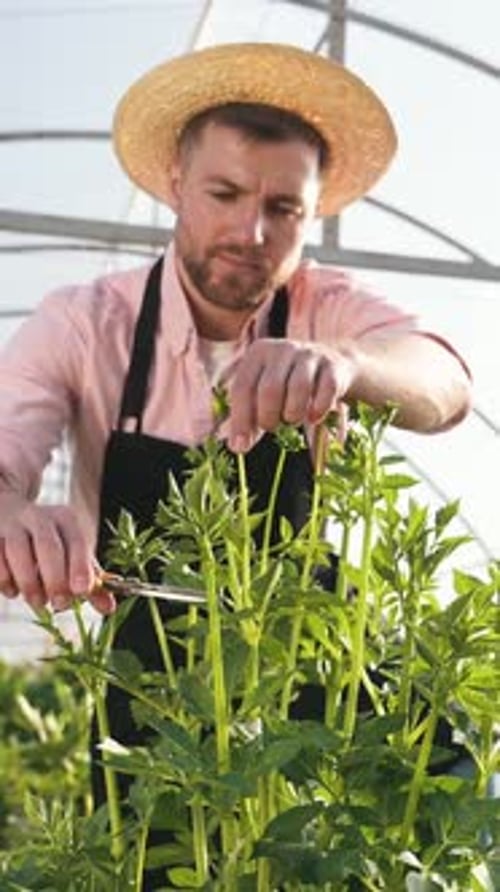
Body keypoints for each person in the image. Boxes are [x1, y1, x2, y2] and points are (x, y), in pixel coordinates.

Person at [0, 41, 471, 882]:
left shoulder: (327, 307)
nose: (252, 233)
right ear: (175, 183)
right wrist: (10, 514)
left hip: (306, 683)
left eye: (283, 209)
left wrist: (348, 366)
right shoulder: (83, 323)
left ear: (312, 213)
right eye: (224, 193)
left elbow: (444, 381)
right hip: (156, 700)